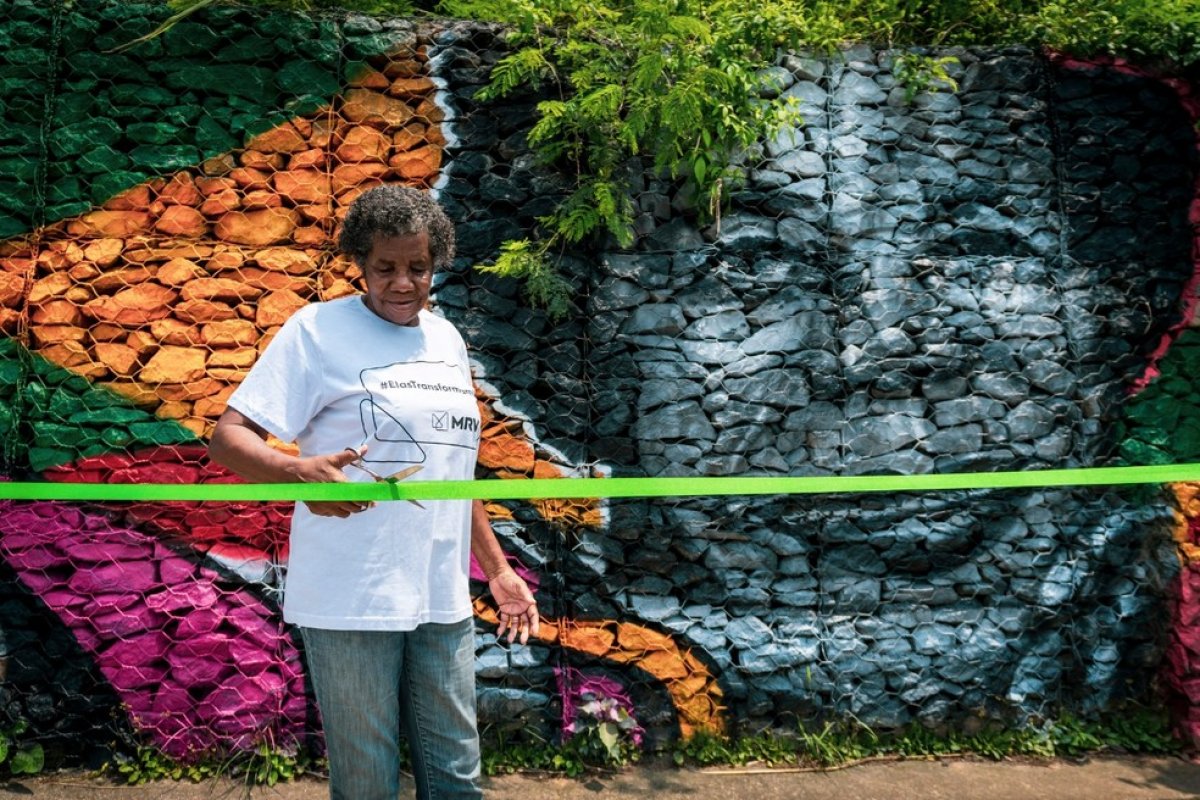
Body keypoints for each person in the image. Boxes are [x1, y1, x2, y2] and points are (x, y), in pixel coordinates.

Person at [209, 184, 540, 800]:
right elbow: (228, 438)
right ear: (359, 261)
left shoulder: (445, 340)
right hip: (351, 594)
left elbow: (452, 475)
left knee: (457, 774)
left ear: (436, 263)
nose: (403, 283)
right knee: (367, 781)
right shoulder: (317, 331)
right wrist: (296, 473)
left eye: (419, 267)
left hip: (441, 592)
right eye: (385, 267)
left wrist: (497, 571)